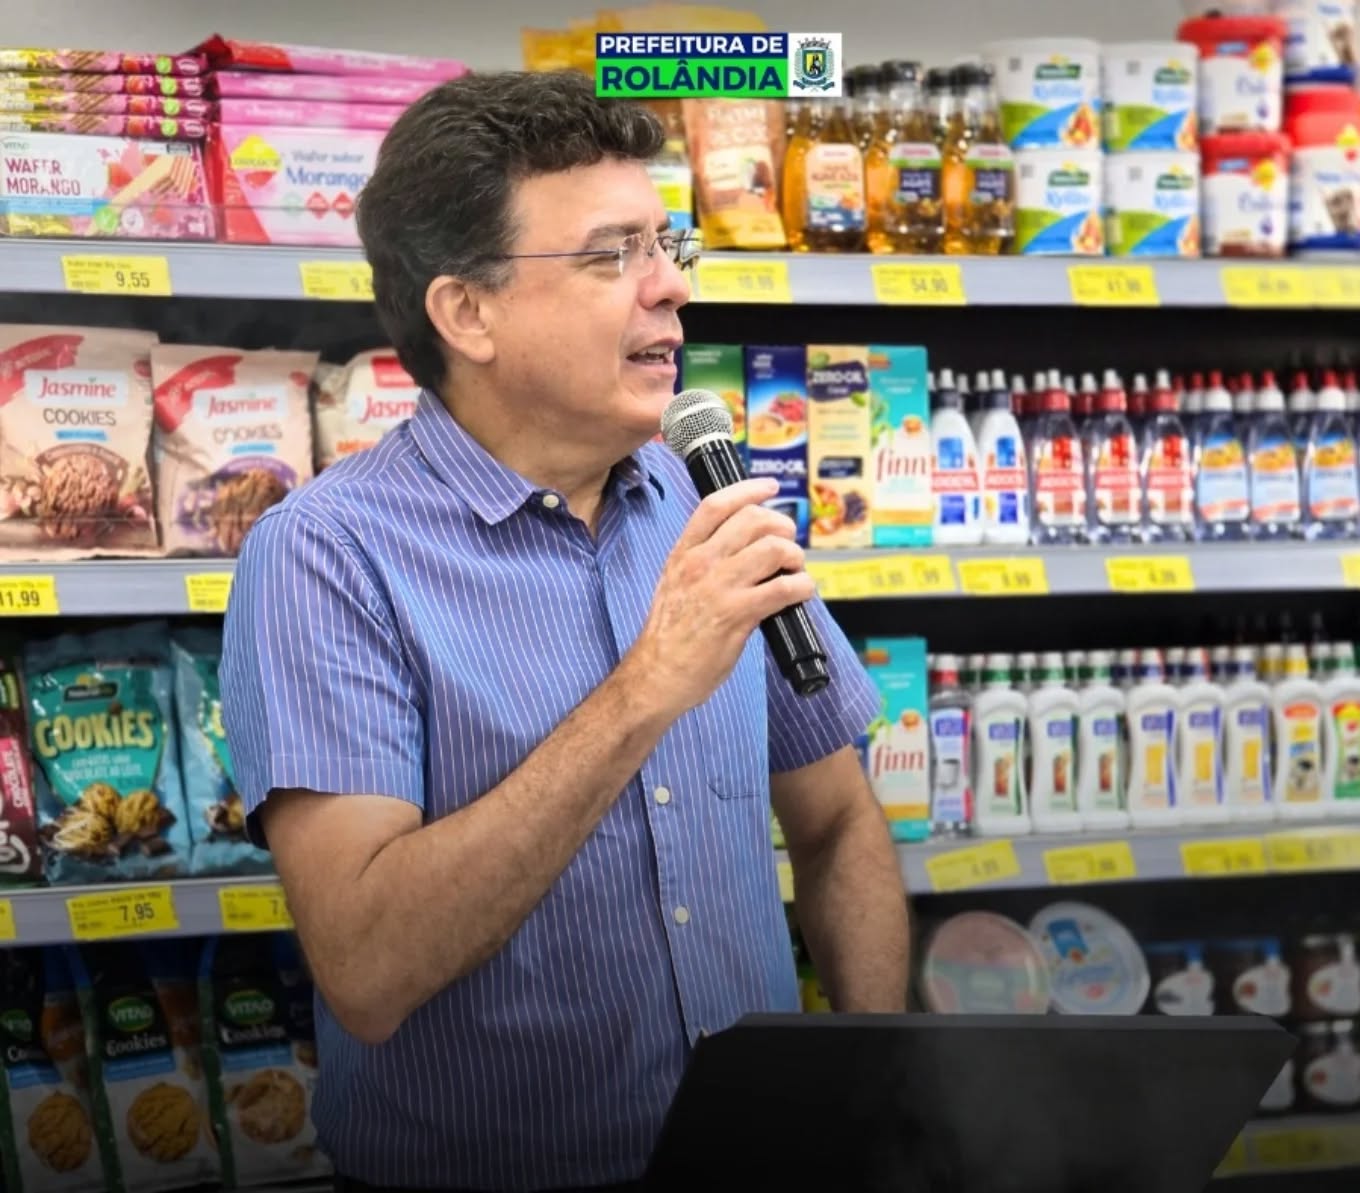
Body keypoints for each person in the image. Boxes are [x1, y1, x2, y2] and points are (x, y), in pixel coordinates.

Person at [219, 70, 909, 1193]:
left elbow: (837, 825)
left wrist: (874, 1089)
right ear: (467, 313)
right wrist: (645, 688)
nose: (671, 285)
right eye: (610, 255)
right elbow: (369, 967)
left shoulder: (701, 498)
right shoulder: (324, 555)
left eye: (666, 243)